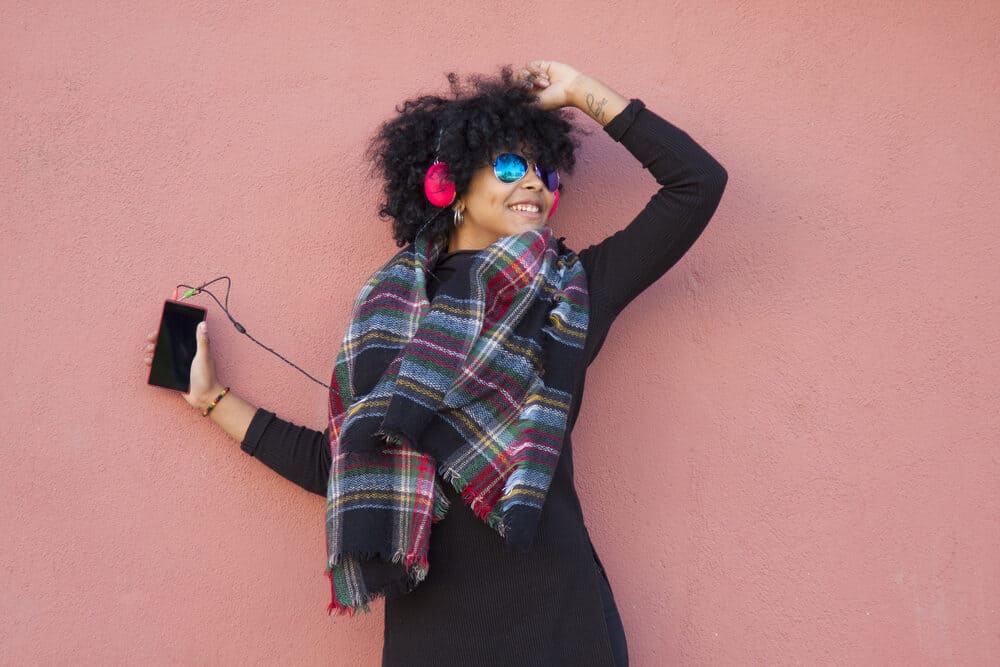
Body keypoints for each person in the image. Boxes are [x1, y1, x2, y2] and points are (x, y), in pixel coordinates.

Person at [143, 60, 727, 667]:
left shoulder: (569, 293)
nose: (535, 184)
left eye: (546, 170)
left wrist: (582, 93)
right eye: (509, 166)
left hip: (556, 618)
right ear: (449, 185)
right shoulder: (386, 313)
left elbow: (697, 185)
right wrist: (212, 399)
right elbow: (343, 464)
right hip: (434, 630)